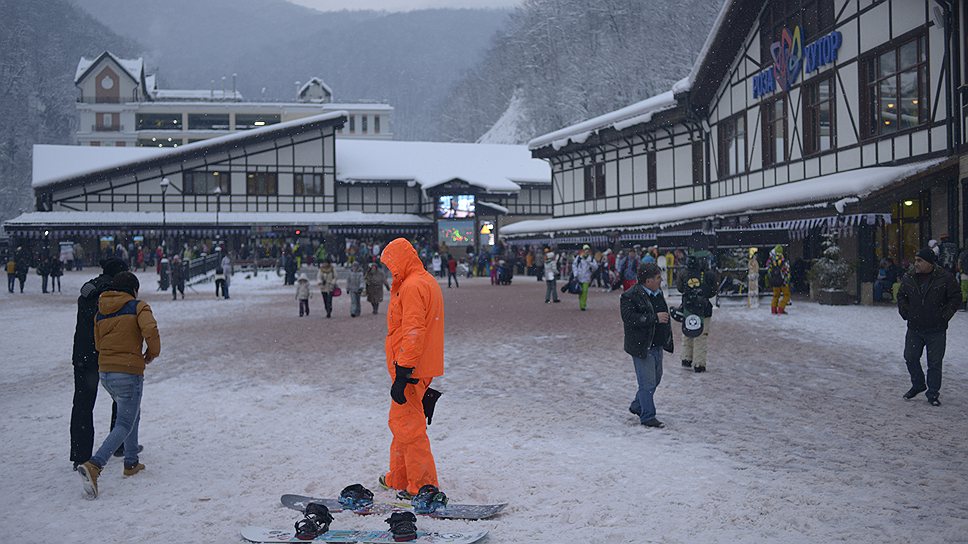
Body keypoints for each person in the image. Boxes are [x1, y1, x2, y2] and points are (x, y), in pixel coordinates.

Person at [77, 271, 161, 499]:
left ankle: (131, 462)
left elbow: (97, 342)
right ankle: (94, 465)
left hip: (106, 373)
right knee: (124, 422)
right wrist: (152, 353)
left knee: (131, 412)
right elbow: (151, 330)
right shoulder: (137, 306)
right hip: (128, 371)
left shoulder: (101, 311)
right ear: (133, 290)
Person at [379, 238, 444, 499]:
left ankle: (421, 486)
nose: (389, 270)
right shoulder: (424, 281)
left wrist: (403, 373)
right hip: (418, 366)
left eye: (390, 264)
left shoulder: (412, 287)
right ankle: (400, 478)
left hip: (410, 369)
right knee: (403, 424)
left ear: (401, 261)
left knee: (410, 429)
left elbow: (413, 332)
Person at [70, 258, 127, 470]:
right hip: (108, 355)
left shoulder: (88, 290)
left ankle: (80, 455)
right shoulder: (115, 295)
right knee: (122, 399)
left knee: (83, 405)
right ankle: (118, 444)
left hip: (83, 355)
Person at [896, 248, 961, 406]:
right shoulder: (909, 277)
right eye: (915, 260)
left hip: (936, 329)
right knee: (910, 357)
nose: (916, 263)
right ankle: (918, 384)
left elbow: (955, 297)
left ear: (930, 263)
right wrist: (906, 312)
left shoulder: (945, 278)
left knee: (934, 363)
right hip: (915, 327)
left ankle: (932, 394)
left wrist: (944, 316)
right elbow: (901, 295)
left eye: (920, 261)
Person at [620, 263, 670, 428]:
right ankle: (648, 416)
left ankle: (637, 405)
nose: (660, 280)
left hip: (657, 344)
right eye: (657, 278)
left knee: (656, 379)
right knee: (647, 383)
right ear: (648, 281)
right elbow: (630, 318)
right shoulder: (630, 296)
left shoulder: (657, 293)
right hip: (642, 346)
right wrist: (654, 318)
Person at [676, 254, 718, 372]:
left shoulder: (683, 273)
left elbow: (680, 288)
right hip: (703, 308)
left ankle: (686, 358)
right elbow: (713, 291)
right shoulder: (709, 274)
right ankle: (699, 364)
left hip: (688, 307)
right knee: (701, 336)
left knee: (688, 331)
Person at [766, 245, 791, 314]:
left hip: (774, 281)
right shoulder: (783, 260)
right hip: (783, 281)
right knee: (786, 295)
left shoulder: (771, 260)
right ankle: (781, 308)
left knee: (776, 295)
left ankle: (773, 309)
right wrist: (787, 280)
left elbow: (768, 269)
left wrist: (771, 278)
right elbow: (787, 271)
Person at [574, 245, 598, 311]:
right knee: (580, 291)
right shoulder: (579, 258)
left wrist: (589, 262)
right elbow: (574, 265)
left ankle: (583, 305)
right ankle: (581, 303)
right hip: (579, 277)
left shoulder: (591, 258)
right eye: (585, 249)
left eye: (587, 249)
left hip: (586, 277)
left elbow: (595, 267)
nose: (586, 251)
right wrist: (575, 274)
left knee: (585, 291)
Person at [959, 244, 968, 311]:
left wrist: (961, 271)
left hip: (964, 274)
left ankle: (964, 305)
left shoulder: (962, 254)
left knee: (964, 290)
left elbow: (959, 263)